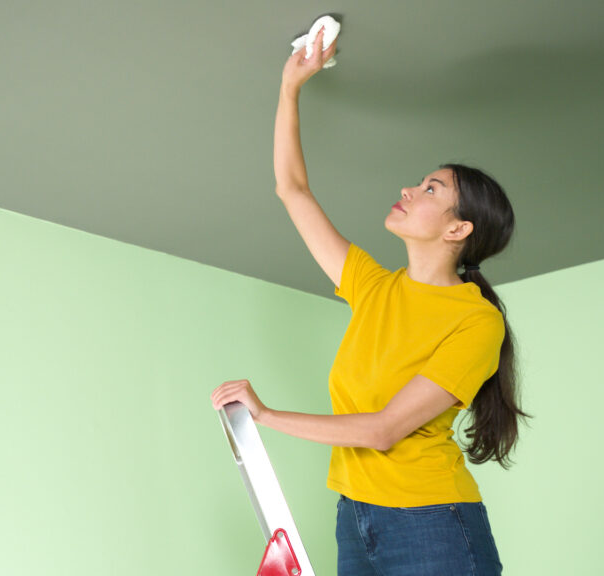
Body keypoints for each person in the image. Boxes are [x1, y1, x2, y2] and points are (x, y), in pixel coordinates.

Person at [210, 28, 528, 576]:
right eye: (419, 182)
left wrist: (266, 416)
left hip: (432, 521)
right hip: (354, 516)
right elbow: (292, 189)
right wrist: (291, 86)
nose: (409, 190)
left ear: (459, 229)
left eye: (431, 190)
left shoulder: (477, 321)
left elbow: (382, 430)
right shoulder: (371, 286)